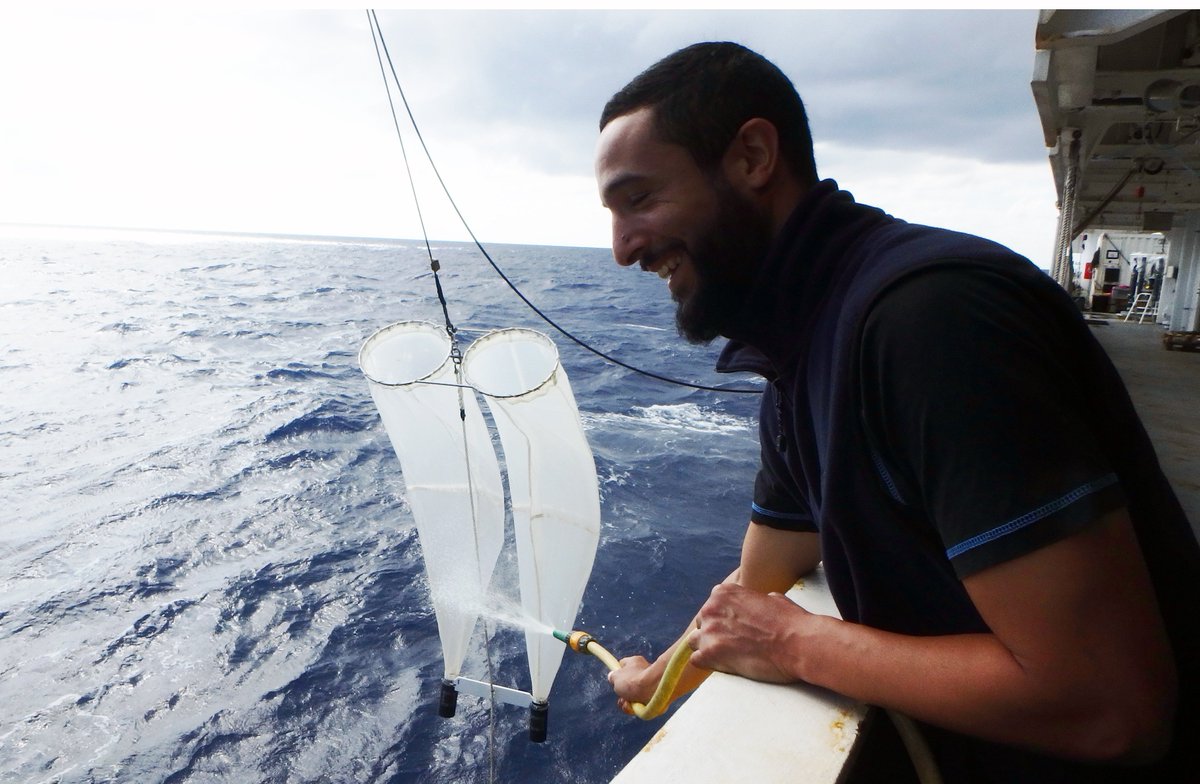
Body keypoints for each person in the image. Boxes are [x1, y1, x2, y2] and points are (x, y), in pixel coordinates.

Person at [594, 41, 1200, 783]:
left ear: (753, 156)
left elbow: (1110, 707)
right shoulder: (801, 348)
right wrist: (662, 677)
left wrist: (795, 644)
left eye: (639, 200)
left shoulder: (932, 322)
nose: (622, 248)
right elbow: (762, 579)